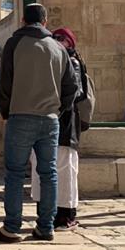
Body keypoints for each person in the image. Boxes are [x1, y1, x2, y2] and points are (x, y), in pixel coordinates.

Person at [0, 4, 78, 244]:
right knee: (49, 173)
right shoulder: (58, 48)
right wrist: (57, 110)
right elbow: (72, 87)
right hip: (49, 120)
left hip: (20, 116)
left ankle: (12, 227)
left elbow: (5, 82)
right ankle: (46, 227)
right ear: (45, 22)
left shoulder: (15, 44)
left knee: (15, 174)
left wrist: (5, 110)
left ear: (24, 20)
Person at [30, 27, 90, 231]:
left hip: (64, 125)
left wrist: (56, 106)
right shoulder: (45, 61)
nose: (57, 43)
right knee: (42, 167)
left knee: (64, 170)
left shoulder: (72, 62)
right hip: (45, 120)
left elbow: (77, 92)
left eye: (61, 40)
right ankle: (47, 213)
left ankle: (65, 216)